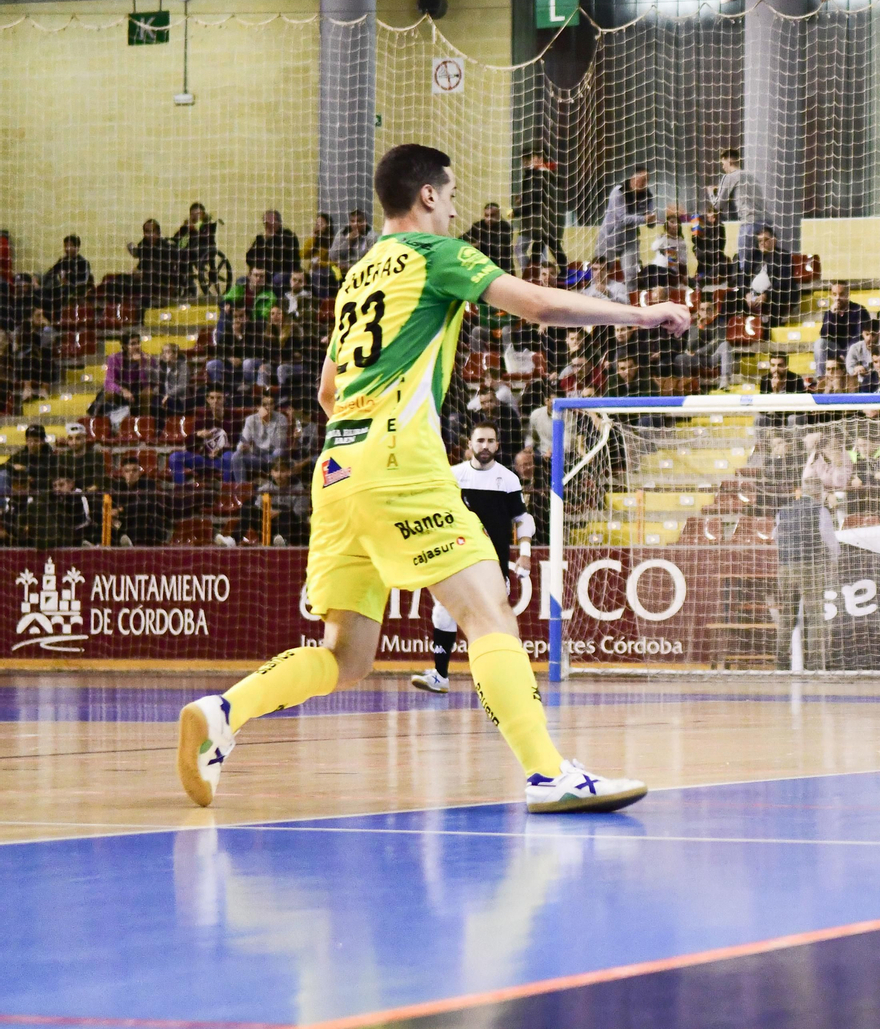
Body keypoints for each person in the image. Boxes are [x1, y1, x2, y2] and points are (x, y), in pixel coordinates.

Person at [176, 142, 688, 814]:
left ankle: (223, 711)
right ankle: (548, 772)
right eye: (449, 197)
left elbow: (330, 392)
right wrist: (643, 314)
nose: (452, 209)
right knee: (489, 610)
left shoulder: (356, 277)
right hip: (398, 464)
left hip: (335, 470)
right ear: (426, 197)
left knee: (346, 656)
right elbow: (537, 306)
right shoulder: (437, 256)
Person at [411, 423, 535, 694]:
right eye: (480, 440)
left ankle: (507, 681)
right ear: (470, 444)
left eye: (491, 440)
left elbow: (523, 519)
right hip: (456, 562)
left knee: (494, 622)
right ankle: (440, 676)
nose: (485, 446)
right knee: (443, 614)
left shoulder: (508, 479)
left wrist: (524, 553)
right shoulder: (452, 476)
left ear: (498, 445)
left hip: (493, 564)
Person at [772, 478, 838, 671]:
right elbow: (829, 540)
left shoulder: (783, 511)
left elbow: (775, 536)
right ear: (819, 493)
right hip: (810, 565)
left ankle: (781, 660)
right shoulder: (820, 510)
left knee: (787, 614)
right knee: (814, 614)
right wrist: (834, 560)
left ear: (800, 491)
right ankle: (816, 662)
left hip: (785, 567)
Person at [598, 166, 656, 290]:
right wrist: (644, 219)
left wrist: (652, 221)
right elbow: (622, 219)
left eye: (646, 180)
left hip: (629, 241)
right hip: (608, 239)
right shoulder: (618, 192)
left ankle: (631, 304)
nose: (643, 183)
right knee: (600, 274)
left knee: (631, 275)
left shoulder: (648, 196)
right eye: (642, 179)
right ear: (633, 178)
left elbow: (650, 220)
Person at [709, 147, 769, 267]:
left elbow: (718, 204)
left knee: (745, 265)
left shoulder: (730, 176)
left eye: (723, 163)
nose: (723, 167)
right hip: (765, 222)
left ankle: (744, 285)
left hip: (749, 223)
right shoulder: (751, 176)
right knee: (760, 262)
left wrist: (711, 192)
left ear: (728, 161)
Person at [168, 387, 235, 485]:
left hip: (222, 460)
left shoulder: (234, 418)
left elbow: (239, 444)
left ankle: (226, 493)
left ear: (224, 399)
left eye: (219, 398)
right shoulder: (202, 418)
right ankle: (182, 490)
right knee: (174, 457)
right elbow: (189, 447)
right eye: (212, 398)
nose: (215, 401)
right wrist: (197, 435)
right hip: (204, 460)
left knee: (230, 456)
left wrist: (220, 451)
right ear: (208, 400)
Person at [515, 149, 566, 273]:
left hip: (541, 220)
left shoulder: (541, 175)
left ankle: (533, 274)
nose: (525, 163)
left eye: (528, 160)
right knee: (543, 247)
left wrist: (517, 211)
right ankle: (537, 273)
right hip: (542, 220)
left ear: (538, 159)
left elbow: (535, 198)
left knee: (534, 247)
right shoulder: (538, 175)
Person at [737, 226, 798, 317]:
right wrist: (747, 294)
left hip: (774, 295)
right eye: (760, 241)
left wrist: (766, 295)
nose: (762, 243)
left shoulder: (784, 256)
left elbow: (784, 281)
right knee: (730, 298)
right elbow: (742, 278)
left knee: (777, 299)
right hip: (753, 295)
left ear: (774, 240)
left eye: (765, 240)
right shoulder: (753, 256)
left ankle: (769, 327)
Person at [230, 393, 289, 483]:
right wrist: (242, 447)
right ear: (258, 407)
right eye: (265, 405)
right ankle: (243, 487)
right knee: (236, 456)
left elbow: (280, 443)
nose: (268, 407)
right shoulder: (251, 419)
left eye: (271, 404)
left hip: (273, 457)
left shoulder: (281, 418)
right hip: (257, 456)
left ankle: (275, 485)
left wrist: (267, 422)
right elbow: (244, 440)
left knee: (279, 451)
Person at [109, 456, 167, 546]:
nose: (131, 474)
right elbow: (111, 505)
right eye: (127, 471)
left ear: (140, 472)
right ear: (123, 473)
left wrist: (121, 510)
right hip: (125, 523)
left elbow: (146, 505)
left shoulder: (149, 484)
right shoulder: (117, 486)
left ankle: (131, 545)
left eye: (134, 470)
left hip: (149, 526)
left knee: (140, 518)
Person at [814, 282, 869, 375]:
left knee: (857, 345)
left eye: (841, 294)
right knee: (819, 343)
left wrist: (845, 353)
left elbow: (860, 335)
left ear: (848, 294)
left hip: (854, 347)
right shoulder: (829, 313)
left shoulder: (859, 310)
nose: (837, 298)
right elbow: (824, 334)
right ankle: (822, 379)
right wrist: (832, 315)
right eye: (835, 294)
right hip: (836, 348)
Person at [245, 210, 301, 282]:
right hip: (263, 272)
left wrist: (269, 240)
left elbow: (285, 259)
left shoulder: (288, 236)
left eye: (270, 222)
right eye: (265, 222)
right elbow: (249, 257)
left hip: (283, 272)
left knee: (277, 280)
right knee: (242, 280)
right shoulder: (260, 238)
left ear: (279, 222)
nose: (268, 225)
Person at [41, 235, 93, 310]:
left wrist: (68, 282)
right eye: (65, 246)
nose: (67, 249)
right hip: (62, 289)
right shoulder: (63, 261)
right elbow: (51, 272)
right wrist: (40, 281)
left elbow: (83, 280)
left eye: (70, 246)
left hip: (77, 290)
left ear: (77, 247)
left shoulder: (83, 262)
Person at [464, 202, 516, 273]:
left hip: (503, 268)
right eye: (486, 215)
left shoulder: (506, 227)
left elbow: (494, 245)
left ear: (498, 215)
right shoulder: (478, 225)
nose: (489, 219)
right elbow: (463, 237)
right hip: (483, 267)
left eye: (492, 215)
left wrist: (477, 245)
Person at [691, 207, 733, 286]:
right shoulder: (703, 227)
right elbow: (696, 244)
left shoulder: (719, 227)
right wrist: (695, 234)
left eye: (714, 217)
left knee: (726, 264)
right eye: (709, 217)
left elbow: (720, 246)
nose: (712, 219)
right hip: (704, 256)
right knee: (701, 255)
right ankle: (702, 277)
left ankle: (703, 278)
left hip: (714, 255)